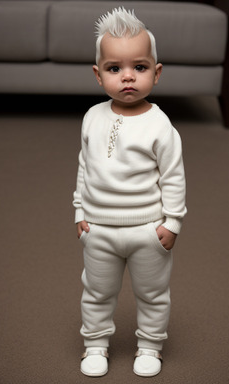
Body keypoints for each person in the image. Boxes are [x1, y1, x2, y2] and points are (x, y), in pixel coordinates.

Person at [73, 7, 187, 378]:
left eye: (139, 68)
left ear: (156, 73)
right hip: (99, 230)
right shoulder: (92, 117)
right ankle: (95, 344)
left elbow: (173, 176)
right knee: (97, 292)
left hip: (147, 229)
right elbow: (84, 167)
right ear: (98, 74)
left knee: (152, 294)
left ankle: (150, 346)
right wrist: (80, 213)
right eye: (114, 68)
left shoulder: (160, 125)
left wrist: (172, 223)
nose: (127, 77)